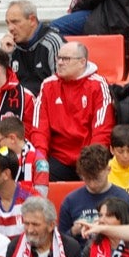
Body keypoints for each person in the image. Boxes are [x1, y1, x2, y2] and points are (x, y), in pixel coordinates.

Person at [29, 43, 114, 181]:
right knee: (36, 176)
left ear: (82, 62)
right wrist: (40, 158)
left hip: (89, 157)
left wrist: (93, 160)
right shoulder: (48, 85)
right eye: (59, 58)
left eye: (66, 59)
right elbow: (39, 128)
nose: (60, 63)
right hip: (58, 158)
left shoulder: (98, 84)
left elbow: (102, 128)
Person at [0, 0, 60, 94]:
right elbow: (2, 86)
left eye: (15, 22)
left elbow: (61, 85)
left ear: (32, 20)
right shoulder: (10, 46)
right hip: (18, 101)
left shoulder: (52, 43)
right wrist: (5, 55)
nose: (10, 28)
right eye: (8, 23)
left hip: (45, 100)